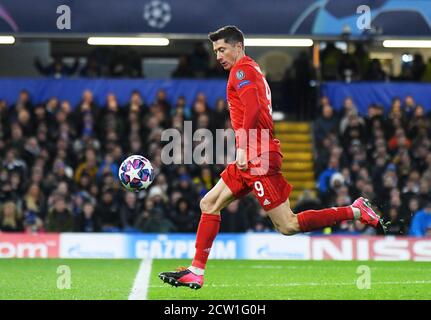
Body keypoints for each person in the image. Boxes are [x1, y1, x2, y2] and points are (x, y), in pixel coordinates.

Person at [159, 26, 387, 290]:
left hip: (258, 157)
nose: (218, 56)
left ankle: (357, 211)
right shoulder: (249, 69)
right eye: (215, 51)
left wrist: (243, 147)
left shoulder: (241, 70)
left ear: (238, 47)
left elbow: (255, 108)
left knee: (288, 225)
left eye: (222, 49)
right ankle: (195, 271)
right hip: (254, 155)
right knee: (209, 203)